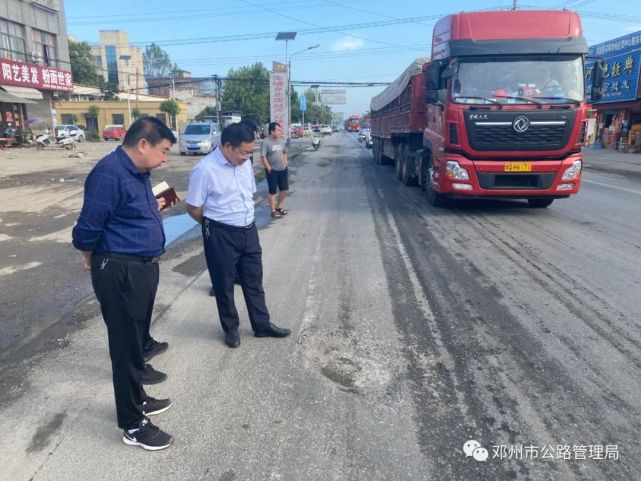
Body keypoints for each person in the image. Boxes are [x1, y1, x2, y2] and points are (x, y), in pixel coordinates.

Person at [72, 117, 176, 451]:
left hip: (142, 268)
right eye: (163, 151)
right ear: (143, 144)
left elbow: (127, 216)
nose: (165, 158)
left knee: (135, 344)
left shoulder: (140, 173)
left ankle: (138, 399)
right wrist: (90, 258)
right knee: (125, 348)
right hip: (120, 270)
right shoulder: (109, 173)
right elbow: (86, 230)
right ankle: (132, 424)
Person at [185, 122, 291, 348]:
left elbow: (247, 194)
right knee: (223, 284)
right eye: (243, 152)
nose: (247, 156)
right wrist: (211, 225)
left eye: (250, 151)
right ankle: (231, 329)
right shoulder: (205, 169)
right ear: (226, 147)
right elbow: (193, 206)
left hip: (248, 229)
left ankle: (262, 325)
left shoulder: (244, 163)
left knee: (254, 280)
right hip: (220, 233)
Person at [261, 122, 289, 218]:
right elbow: (263, 156)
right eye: (278, 130)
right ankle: (273, 211)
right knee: (272, 191)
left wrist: (285, 163)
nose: (280, 132)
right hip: (272, 170)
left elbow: (285, 152)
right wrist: (269, 169)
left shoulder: (281, 140)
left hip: (283, 169)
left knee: (284, 189)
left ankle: (279, 207)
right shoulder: (266, 142)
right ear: (272, 131)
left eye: (280, 130)